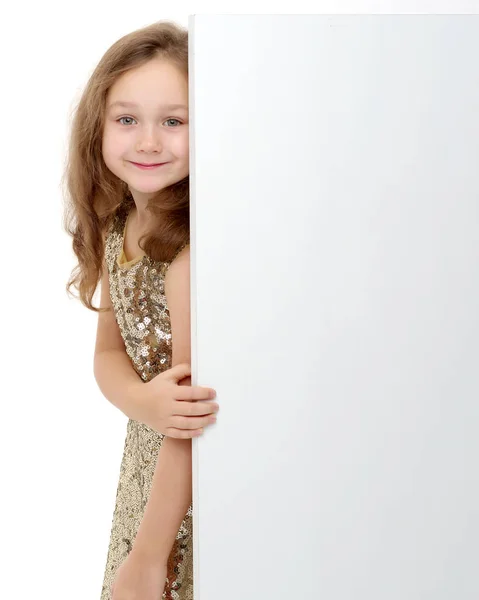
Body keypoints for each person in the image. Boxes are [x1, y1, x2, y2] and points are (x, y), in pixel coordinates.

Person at [63, 20, 218, 600]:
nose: (149, 141)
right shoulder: (117, 225)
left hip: (186, 492)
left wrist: (151, 557)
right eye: (127, 119)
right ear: (97, 128)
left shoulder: (185, 252)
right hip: (144, 470)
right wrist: (143, 400)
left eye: (174, 121)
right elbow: (107, 352)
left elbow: (191, 422)